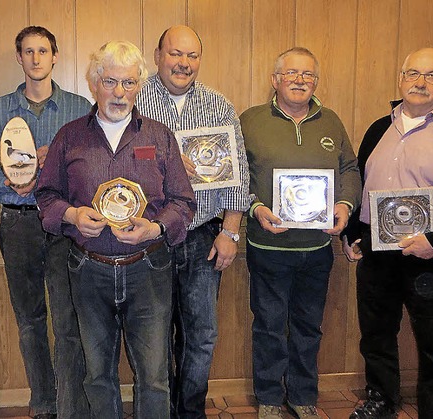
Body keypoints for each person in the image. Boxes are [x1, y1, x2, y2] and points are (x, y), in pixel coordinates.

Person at [36, 40, 196, 419]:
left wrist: (155, 228)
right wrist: (73, 216)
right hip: (87, 270)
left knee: (155, 376)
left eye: (128, 82)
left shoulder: (159, 137)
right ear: (94, 83)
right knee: (97, 375)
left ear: (139, 85)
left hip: (149, 269)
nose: (119, 92)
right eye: (110, 81)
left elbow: (184, 202)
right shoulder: (69, 136)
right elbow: (46, 196)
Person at [342, 47, 433, 419]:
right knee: (376, 337)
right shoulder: (379, 128)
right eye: (413, 73)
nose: (420, 82)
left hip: (432, 260)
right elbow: (360, 184)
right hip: (378, 258)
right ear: (400, 78)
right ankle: (381, 402)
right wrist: (352, 233)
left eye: (432, 75)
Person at [135, 25, 251, 418]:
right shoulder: (133, 99)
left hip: (203, 235)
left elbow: (238, 175)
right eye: (175, 53)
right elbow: (116, 162)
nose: (183, 63)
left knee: (201, 334)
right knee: (154, 336)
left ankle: (190, 412)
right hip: (150, 238)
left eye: (192, 56)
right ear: (157, 55)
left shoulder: (219, 105)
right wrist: (160, 160)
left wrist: (230, 232)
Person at [239, 47, 361, 419]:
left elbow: (351, 169)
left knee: (309, 327)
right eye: (291, 73)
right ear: (275, 80)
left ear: (316, 82)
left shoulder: (331, 122)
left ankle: (304, 395)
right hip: (268, 245)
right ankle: (270, 399)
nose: (299, 80)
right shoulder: (251, 120)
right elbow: (236, 175)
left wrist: (344, 205)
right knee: (270, 327)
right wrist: (255, 207)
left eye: (307, 75)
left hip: (317, 248)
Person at [0, 26, 91, 419]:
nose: (36, 58)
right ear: (19, 57)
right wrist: (9, 181)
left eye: (43, 50)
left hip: (64, 226)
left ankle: (71, 406)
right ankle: (44, 405)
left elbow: (90, 173)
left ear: (55, 56)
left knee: (68, 321)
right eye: (28, 51)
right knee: (29, 321)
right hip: (18, 223)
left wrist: (54, 165)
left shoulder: (80, 109)